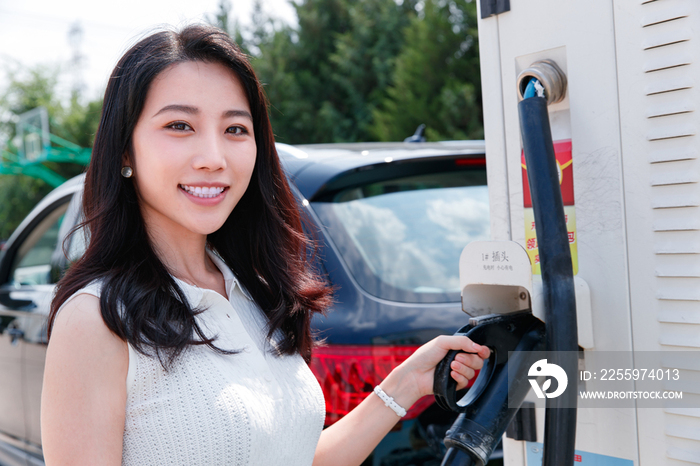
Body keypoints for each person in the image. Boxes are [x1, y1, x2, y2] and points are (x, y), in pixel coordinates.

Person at [40, 24, 490, 466]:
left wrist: (405, 385)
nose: (214, 158)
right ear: (124, 150)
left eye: (235, 129)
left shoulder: (254, 291)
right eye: (180, 125)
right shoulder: (96, 319)